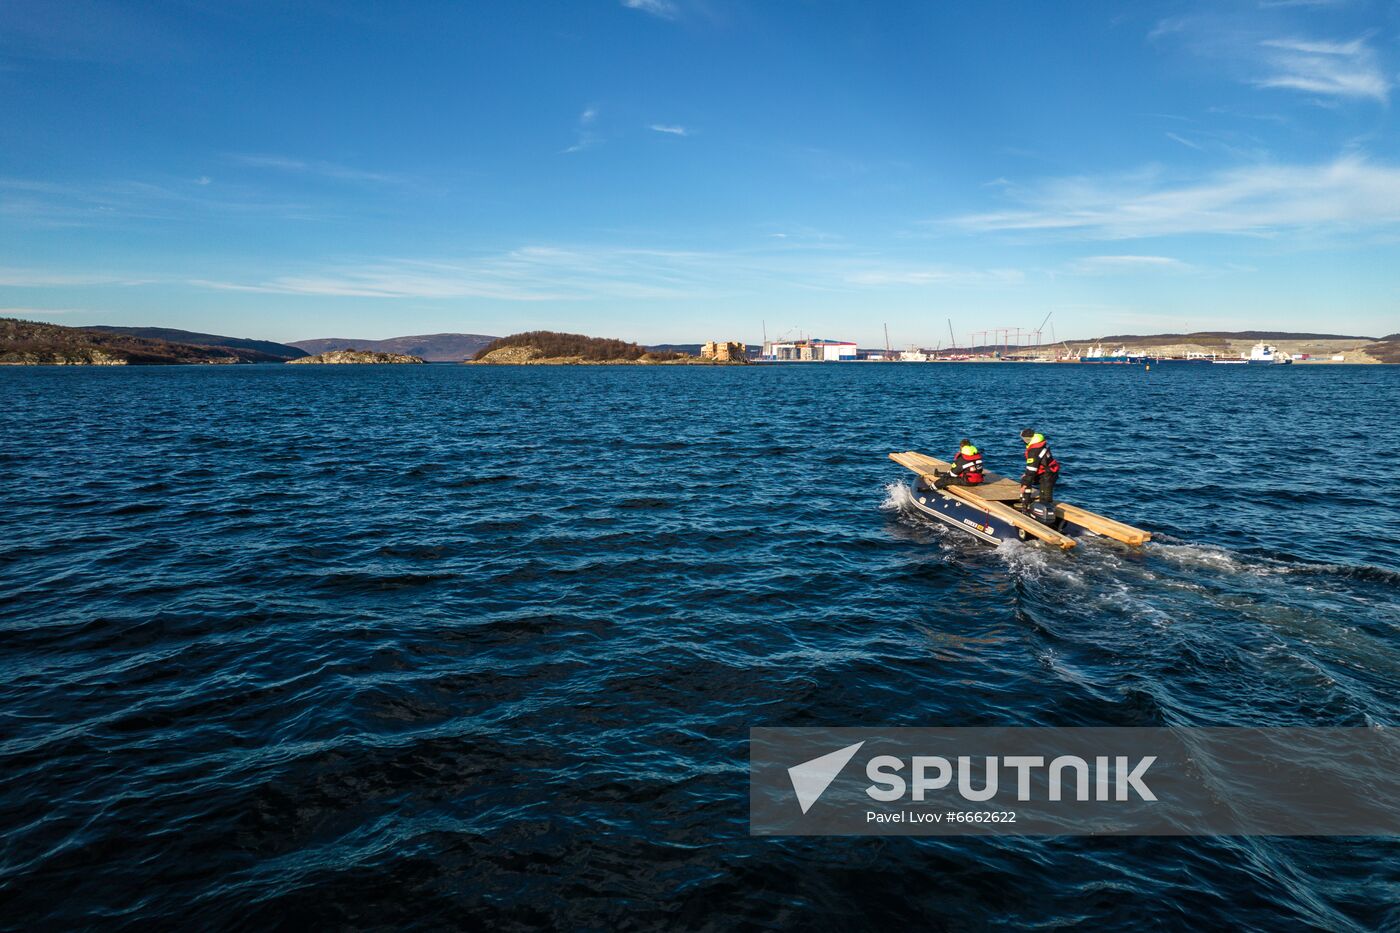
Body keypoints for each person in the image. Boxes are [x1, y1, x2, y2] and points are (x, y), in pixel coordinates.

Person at [1018, 428, 1060, 505]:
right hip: (1042, 470)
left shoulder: (1033, 451)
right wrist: (1026, 477)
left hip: (1049, 473)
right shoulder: (1039, 444)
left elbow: (1031, 470)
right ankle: (1025, 500)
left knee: (1045, 494)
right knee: (1026, 479)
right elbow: (1033, 466)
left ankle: (1046, 506)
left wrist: (1024, 485)